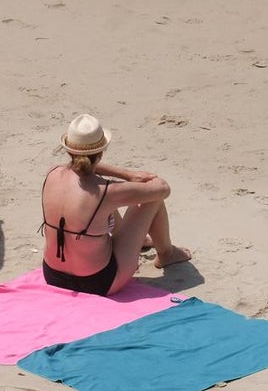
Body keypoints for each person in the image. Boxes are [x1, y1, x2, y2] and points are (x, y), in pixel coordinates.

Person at [40, 113, 191, 296]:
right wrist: (136, 179)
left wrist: (127, 174)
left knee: (101, 206)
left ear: (68, 150)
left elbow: (79, 168)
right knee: (152, 199)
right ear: (101, 152)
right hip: (98, 282)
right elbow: (163, 189)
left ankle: (141, 240)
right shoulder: (108, 191)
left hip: (53, 276)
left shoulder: (52, 173)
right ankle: (166, 254)